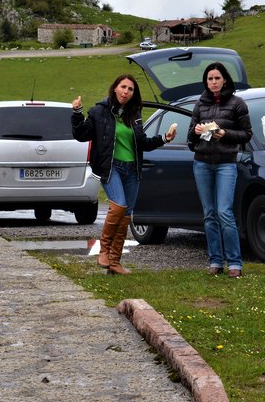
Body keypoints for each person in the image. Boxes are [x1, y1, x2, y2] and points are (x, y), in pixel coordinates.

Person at [71, 74, 177, 275]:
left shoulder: (134, 114)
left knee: (126, 215)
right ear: (115, 88)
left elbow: (142, 142)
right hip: (111, 167)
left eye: (130, 89)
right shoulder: (98, 111)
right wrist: (76, 112)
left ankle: (115, 262)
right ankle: (104, 251)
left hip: (132, 170)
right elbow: (81, 135)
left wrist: (164, 138)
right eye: (123, 87)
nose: (126, 92)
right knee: (118, 206)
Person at [188, 62, 252, 278]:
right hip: (202, 163)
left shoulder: (237, 103)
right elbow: (190, 140)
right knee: (209, 214)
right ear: (206, 82)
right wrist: (197, 132)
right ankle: (215, 261)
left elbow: (246, 135)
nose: (213, 82)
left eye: (217, 78)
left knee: (224, 212)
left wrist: (225, 134)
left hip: (226, 163)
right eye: (209, 79)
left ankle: (235, 263)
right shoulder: (200, 104)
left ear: (225, 79)